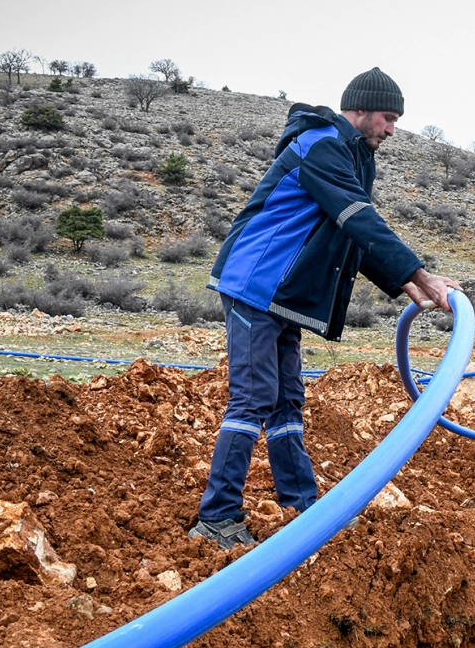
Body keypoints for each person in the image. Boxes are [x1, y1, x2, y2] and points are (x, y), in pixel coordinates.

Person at [190, 67, 459, 548]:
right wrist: (420, 273)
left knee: (288, 400)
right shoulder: (322, 143)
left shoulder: (357, 158)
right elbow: (359, 218)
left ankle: (301, 505)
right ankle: (216, 518)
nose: (392, 129)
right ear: (358, 110)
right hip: (256, 282)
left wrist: (408, 284)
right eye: (387, 117)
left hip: (284, 293)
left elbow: (354, 237)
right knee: (253, 398)